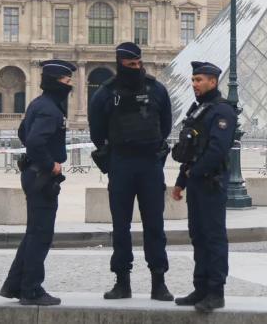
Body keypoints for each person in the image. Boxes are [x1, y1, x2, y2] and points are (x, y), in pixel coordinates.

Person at [88, 42, 173, 302]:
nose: (135, 68)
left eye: (138, 64)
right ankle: (122, 281)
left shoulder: (156, 89)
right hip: (122, 163)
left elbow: (165, 126)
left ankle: (158, 281)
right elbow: (97, 132)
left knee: (155, 226)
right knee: (121, 227)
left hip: (148, 164)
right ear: (120, 63)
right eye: (130, 65)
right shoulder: (105, 93)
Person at [0, 60, 75, 306]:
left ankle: (15, 285)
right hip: (41, 176)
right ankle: (31, 289)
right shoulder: (51, 109)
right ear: (55, 82)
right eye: (66, 81)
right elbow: (33, 140)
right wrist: (50, 164)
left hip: (32, 173)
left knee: (33, 233)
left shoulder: (38, 104)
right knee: (41, 235)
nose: (69, 85)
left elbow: (23, 132)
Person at [171, 61, 236, 313]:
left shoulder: (222, 112)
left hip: (211, 182)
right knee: (197, 236)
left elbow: (216, 150)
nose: (194, 84)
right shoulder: (199, 110)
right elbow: (191, 151)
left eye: (199, 80)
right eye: (193, 79)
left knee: (213, 237)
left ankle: (215, 291)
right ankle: (200, 287)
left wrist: (193, 172)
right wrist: (181, 181)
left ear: (213, 81)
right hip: (197, 182)